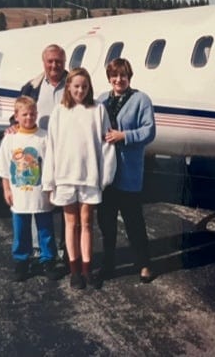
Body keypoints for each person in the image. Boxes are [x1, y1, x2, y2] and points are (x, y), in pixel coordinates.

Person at [42, 68, 117, 290]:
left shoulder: (98, 110)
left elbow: (107, 145)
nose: (80, 90)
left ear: (89, 87)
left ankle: (87, 270)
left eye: (84, 86)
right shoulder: (59, 111)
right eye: (76, 86)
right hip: (65, 178)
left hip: (89, 178)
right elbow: (51, 147)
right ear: (68, 87)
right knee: (70, 224)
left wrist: (104, 178)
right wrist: (49, 181)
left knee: (86, 224)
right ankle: (74, 271)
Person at [96, 58, 157, 285]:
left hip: (128, 173)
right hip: (106, 174)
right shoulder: (101, 99)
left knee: (134, 221)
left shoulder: (141, 100)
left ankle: (144, 264)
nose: (118, 80)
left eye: (123, 75)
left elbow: (149, 131)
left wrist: (125, 136)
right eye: (114, 75)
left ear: (129, 77)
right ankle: (109, 264)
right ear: (109, 77)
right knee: (106, 222)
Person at [7, 44, 68, 265]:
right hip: (40, 155)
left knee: (66, 205)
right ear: (44, 63)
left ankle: (65, 250)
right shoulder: (31, 87)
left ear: (64, 62)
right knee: (37, 202)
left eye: (59, 61)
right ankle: (38, 252)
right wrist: (12, 127)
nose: (54, 65)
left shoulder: (74, 85)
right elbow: (18, 113)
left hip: (66, 155)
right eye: (50, 61)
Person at [0, 96, 62, 282]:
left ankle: (48, 260)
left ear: (37, 114)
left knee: (45, 229)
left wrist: (52, 189)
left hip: (41, 193)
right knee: (20, 229)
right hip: (19, 194)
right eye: (24, 114)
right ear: (16, 116)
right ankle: (22, 260)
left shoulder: (44, 137)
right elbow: (5, 168)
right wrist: (6, 189)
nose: (29, 118)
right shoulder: (10, 139)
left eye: (32, 114)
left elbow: (51, 165)